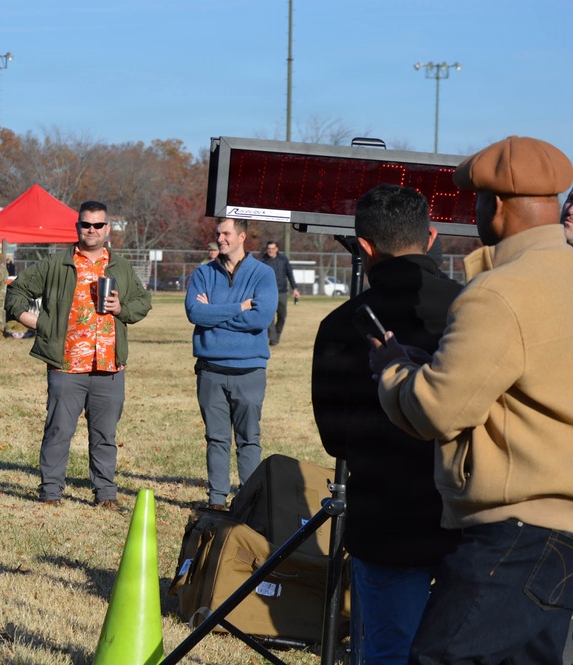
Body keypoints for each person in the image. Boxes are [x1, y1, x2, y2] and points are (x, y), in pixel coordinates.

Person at [369, 136, 573, 664]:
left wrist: (393, 369)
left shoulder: (497, 292)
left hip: (513, 538)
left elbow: (439, 409)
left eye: (477, 202)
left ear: (496, 206)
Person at [312, 184, 462, 665]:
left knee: (388, 651)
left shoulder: (342, 325)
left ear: (364, 248)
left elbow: (336, 438)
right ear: (433, 237)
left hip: (386, 519)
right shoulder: (472, 313)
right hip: (470, 518)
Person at [5, 201, 151, 509]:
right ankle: (51, 492)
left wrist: (122, 309)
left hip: (109, 367)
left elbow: (143, 303)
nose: (92, 230)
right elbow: (16, 293)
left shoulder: (121, 267)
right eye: (87, 225)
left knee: (105, 435)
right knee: (59, 431)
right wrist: (40, 324)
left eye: (99, 225)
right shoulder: (57, 264)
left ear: (108, 228)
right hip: (66, 365)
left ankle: (106, 495)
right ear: (78, 227)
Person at [185, 218, 277, 509]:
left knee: (249, 439)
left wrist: (214, 310)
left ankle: (248, 502)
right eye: (218, 234)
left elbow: (260, 318)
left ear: (241, 237)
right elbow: (195, 313)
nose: (220, 239)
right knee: (216, 438)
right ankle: (216, 500)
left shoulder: (263, 274)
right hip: (210, 370)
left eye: (225, 234)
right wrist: (239, 306)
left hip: (249, 371)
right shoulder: (203, 273)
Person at [258, 240, 300, 346]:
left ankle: (276, 335)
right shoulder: (263, 260)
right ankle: (273, 339)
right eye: (269, 249)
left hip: (282, 291)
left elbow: (289, 274)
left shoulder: (283, 260)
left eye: (272, 248)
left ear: (277, 249)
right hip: (268, 292)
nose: (270, 251)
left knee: (282, 315)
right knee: (270, 316)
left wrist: (294, 288)